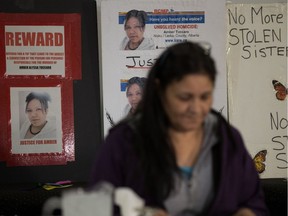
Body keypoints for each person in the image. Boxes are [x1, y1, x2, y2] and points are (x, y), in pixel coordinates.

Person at [91, 42, 269, 216]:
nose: (196, 109)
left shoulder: (226, 139)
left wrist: (248, 212)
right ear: (160, 90)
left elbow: (254, 201)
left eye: (205, 97)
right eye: (184, 97)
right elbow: (97, 208)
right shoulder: (123, 142)